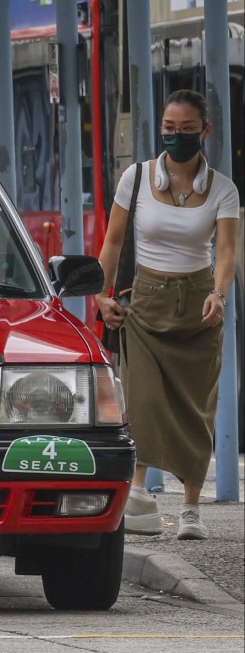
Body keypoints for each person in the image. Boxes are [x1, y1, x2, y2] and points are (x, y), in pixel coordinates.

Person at [95, 89, 240, 540]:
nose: (177, 137)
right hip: (147, 302)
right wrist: (101, 295)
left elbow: (227, 251)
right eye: (169, 129)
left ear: (205, 132)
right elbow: (114, 242)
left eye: (187, 130)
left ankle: (192, 510)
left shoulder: (222, 189)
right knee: (144, 401)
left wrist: (219, 293)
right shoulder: (135, 179)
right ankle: (138, 496)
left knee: (195, 408)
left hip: (199, 305)